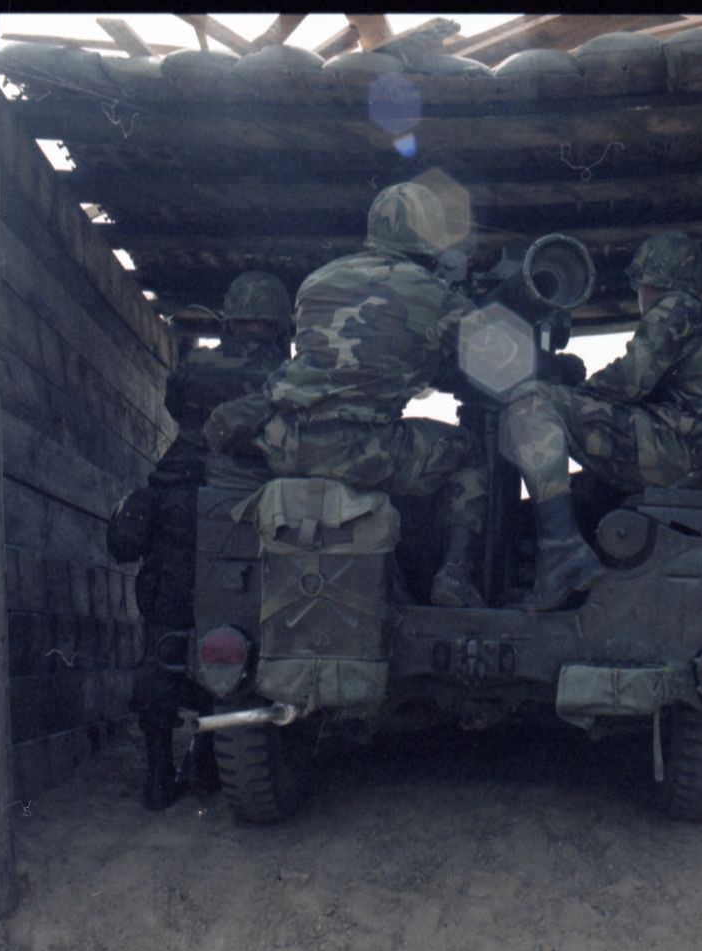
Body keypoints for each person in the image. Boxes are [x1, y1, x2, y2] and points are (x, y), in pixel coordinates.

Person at [234, 181, 488, 609]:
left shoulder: (315, 281)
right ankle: (454, 576)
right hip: (364, 452)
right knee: (468, 452)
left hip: (290, 446)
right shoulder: (435, 295)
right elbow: (489, 358)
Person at [107, 270, 293, 809]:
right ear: (282, 326)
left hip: (177, 507)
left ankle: (158, 774)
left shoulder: (196, 368)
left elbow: (174, 403)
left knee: (165, 635)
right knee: (234, 636)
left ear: (230, 321)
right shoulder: (285, 374)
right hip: (245, 509)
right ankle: (211, 761)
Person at [498, 230, 702, 610]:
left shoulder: (676, 308)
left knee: (531, 403)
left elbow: (630, 380)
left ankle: (561, 554)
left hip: (681, 453)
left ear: (649, 283)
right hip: (697, 454)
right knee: (583, 488)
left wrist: (574, 393)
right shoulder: (701, 322)